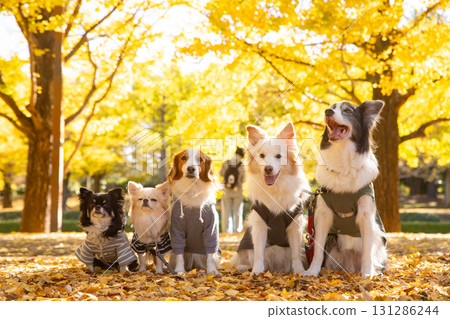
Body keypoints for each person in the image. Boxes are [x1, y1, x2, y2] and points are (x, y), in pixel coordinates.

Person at [219, 147, 245, 233]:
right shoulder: (242, 165)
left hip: (226, 191)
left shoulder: (226, 163)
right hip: (237, 191)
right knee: (237, 212)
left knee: (226, 212)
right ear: (242, 156)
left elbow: (221, 173)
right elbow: (244, 179)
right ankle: (237, 231)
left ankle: (226, 231)